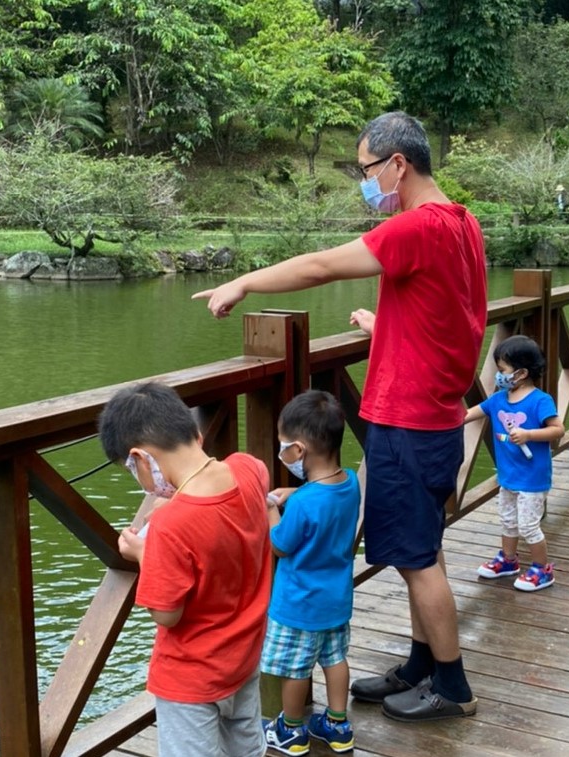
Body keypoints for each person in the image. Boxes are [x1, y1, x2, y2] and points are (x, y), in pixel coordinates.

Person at [192, 111, 487, 722]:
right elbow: (455, 315)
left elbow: (322, 265)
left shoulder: (418, 226)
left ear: (397, 165)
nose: (365, 182)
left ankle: (451, 685)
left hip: (410, 423)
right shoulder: (462, 223)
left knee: (417, 559)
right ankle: (421, 664)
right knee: (419, 550)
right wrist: (391, 331)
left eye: (367, 170)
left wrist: (245, 282)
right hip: (434, 414)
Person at [98, 381, 272, 757]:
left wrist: (148, 556)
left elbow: (167, 613)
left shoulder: (169, 526)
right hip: (243, 658)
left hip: (191, 678)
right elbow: (249, 486)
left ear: (140, 459)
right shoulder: (247, 469)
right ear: (194, 433)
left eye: (133, 469)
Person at [260, 390, 361, 755]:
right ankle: (337, 724)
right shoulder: (350, 483)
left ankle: (290, 730)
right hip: (335, 600)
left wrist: (271, 508)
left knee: (296, 669)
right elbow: (322, 503)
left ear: (299, 450)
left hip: (300, 605)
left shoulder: (302, 503)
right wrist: (296, 492)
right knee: (335, 659)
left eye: (284, 446)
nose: (281, 452)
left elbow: (279, 545)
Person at [465, 335, 564, 591]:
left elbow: (557, 430)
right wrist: (448, 419)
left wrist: (530, 434)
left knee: (529, 525)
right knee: (507, 520)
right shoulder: (498, 399)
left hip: (532, 478)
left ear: (520, 373)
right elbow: (470, 413)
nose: (499, 376)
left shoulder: (540, 401)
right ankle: (508, 561)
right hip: (508, 476)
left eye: (502, 371)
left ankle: (543, 569)